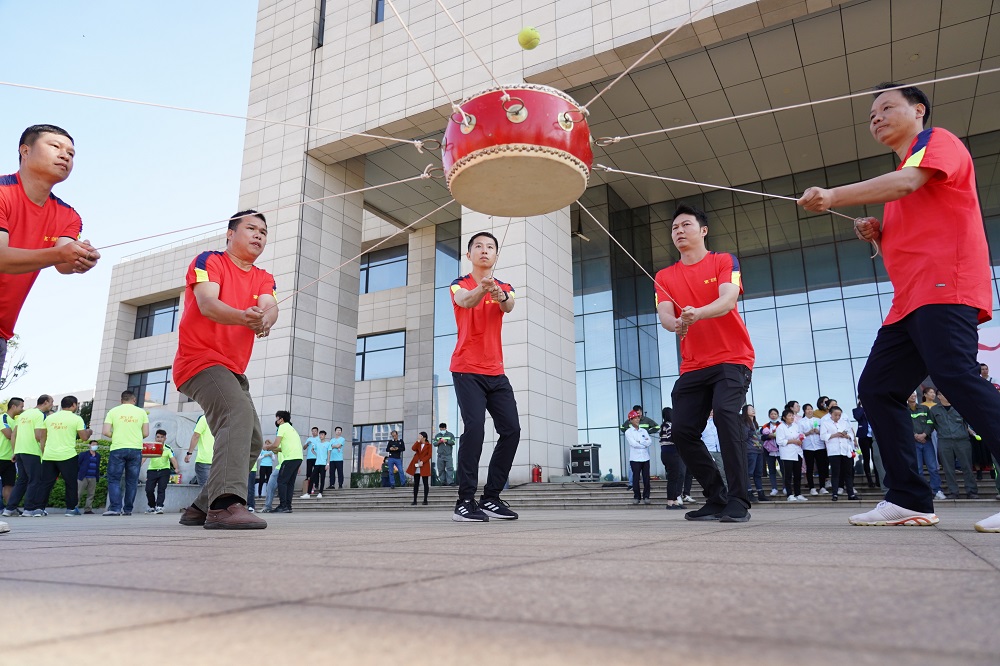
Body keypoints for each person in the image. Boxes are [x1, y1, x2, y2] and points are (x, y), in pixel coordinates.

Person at [798, 82, 1000, 531]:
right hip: (908, 302)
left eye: (887, 107)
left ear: (919, 110)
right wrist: (880, 232)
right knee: (877, 389)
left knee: (955, 375)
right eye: (872, 114)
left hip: (944, 285)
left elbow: (908, 182)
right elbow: (913, 214)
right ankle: (909, 499)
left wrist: (833, 196)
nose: (877, 117)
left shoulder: (936, 143)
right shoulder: (904, 174)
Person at [173, 210, 277, 530]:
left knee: (253, 440)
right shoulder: (209, 261)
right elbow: (208, 304)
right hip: (199, 360)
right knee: (236, 413)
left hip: (232, 370)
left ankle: (200, 507)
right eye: (251, 228)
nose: (258, 235)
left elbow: (269, 308)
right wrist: (244, 317)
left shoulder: (263, 277)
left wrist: (264, 319)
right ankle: (224, 506)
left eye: (263, 232)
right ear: (230, 234)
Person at [655, 205, 755, 523]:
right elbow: (666, 316)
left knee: (725, 415)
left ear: (703, 230)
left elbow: (727, 300)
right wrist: (676, 324)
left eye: (686, 225)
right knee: (682, 431)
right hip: (693, 366)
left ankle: (738, 500)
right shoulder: (664, 276)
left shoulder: (723, 261)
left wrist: (697, 313)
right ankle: (716, 496)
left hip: (732, 358)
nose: (679, 231)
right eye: (674, 228)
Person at [0, 124, 100, 376]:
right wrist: (62, 254)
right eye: (55, 146)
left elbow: (64, 264)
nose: (65, 155)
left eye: (71, 153)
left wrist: (81, 256)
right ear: (25, 151)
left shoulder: (69, 216)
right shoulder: (2, 192)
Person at [449, 232, 520, 522]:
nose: (484, 250)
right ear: (469, 255)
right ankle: (464, 501)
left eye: (490, 247)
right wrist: (483, 288)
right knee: (474, 430)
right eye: (478, 246)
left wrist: (498, 294)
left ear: (496, 256)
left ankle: (491, 497)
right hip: (466, 369)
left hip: (496, 372)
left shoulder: (505, 287)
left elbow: (508, 305)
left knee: (511, 430)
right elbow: (465, 301)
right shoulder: (459, 284)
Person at [35, 395, 91, 516]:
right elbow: (84, 437)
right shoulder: (76, 419)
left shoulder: (49, 418)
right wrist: (89, 432)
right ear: (74, 405)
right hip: (67, 455)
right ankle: (71, 509)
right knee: (70, 483)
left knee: (45, 483)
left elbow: (42, 438)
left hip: (49, 455)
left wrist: (44, 452)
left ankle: (39, 508)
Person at [3, 394, 53, 517]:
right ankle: (28, 509)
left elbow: (14, 434)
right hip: (32, 452)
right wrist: (44, 450)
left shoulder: (24, 415)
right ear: (46, 402)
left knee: (22, 480)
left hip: (20, 451)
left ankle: (9, 508)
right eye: (51, 402)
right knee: (34, 480)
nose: (52, 405)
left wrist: (15, 451)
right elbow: (38, 435)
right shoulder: (40, 415)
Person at [102, 390, 149, 516]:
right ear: (134, 400)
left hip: (118, 448)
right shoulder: (141, 412)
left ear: (121, 400)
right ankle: (128, 509)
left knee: (114, 479)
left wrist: (116, 436)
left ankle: (115, 508)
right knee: (132, 481)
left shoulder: (113, 411)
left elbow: (105, 431)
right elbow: (146, 433)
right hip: (135, 449)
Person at [929, 391, 979, 499]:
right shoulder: (934, 410)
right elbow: (932, 425)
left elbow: (967, 422)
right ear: (939, 396)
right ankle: (953, 492)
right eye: (943, 394)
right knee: (948, 468)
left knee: (967, 466)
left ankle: (971, 491)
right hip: (944, 441)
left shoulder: (959, 407)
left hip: (962, 440)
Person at [907, 392, 944, 500]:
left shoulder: (924, 408)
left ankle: (937, 490)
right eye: (910, 394)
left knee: (933, 467)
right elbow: (904, 425)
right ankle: (923, 492)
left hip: (926, 441)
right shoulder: (904, 410)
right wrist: (915, 436)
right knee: (918, 469)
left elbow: (930, 423)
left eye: (914, 394)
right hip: (913, 443)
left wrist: (924, 434)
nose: (913, 395)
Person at [821, 407, 859, 501]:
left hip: (845, 450)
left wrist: (846, 436)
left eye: (839, 415)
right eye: (835, 415)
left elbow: (851, 433)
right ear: (831, 414)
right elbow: (822, 436)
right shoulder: (825, 423)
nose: (837, 417)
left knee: (848, 472)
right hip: (834, 451)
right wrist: (834, 435)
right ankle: (835, 493)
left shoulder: (844, 422)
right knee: (835, 473)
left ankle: (851, 493)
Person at [620, 404, 659, 488]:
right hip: (635, 449)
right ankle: (631, 484)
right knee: (633, 468)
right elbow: (622, 427)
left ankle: (646, 485)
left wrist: (648, 432)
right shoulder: (630, 421)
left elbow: (657, 427)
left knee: (645, 467)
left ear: (641, 412)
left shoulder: (647, 420)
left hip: (644, 447)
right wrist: (630, 432)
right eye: (636, 413)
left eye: (639, 413)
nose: (638, 416)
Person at [271, 411, 302, 513]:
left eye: (277, 418)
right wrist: (272, 448)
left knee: (282, 481)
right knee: (290, 483)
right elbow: (281, 448)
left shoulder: (282, 427)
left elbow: (275, 445)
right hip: (298, 458)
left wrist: (266, 447)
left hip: (289, 458)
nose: (276, 421)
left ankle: (283, 505)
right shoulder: (292, 429)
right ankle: (288, 506)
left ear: (281, 419)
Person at [143, 429, 178, 514]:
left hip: (164, 471)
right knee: (149, 489)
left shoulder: (168, 448)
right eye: (158, 437)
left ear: (165, 438)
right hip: (152, 470)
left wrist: (176, 468)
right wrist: (137, 467)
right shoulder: (151, 447)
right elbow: (144, 457)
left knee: (161, 489)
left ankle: (159, 506)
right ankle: (152, 506)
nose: (159, 439)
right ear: (155, 438)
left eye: (162, 437)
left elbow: (173, 459)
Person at [623, 409, 652, 504]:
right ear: (630, 420)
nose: (637, 420)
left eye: (638, 418)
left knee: (646, 478)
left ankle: (646, 496)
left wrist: (640, 442)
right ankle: (637, 497)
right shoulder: (628, 432)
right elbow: (633, 444)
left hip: (645, 457)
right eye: (635, 418)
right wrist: (643, 444)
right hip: (635, 458)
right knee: (636, 478)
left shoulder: (643, 431)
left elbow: (649, 442)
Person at [776, 409, 805, 501]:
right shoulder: (781, 427)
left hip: (797, 452)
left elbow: (800, 435)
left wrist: (801, 439)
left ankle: (798, 493)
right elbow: (779, 441)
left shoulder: (796, 426)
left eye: (792, 415)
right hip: (787, 454)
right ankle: (789, 494)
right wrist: (793, 441)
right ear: (784, 418)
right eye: (789, 416)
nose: (792, 417)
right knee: (788, 475)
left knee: (797, 475)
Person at [741, 405, 768, 504]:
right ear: (745, 411)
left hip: (759, 451)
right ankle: (749, 492)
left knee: (758, 473)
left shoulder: (755, 423)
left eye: (753, 409)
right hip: (750, 451)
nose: (753, 410)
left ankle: (760, 493)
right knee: (749, 472)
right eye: (750, 409)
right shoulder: (745, 423)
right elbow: (744, 437)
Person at [0, 397, 24, 506]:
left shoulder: (15, 421)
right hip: (1, 456)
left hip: (10, 458)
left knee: (9, 485)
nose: (22, 409)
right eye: (21, 407)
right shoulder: (3, 418)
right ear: (13, 406)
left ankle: (10, 508)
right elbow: (9, 435)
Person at [660, 407, 685, 509]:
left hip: (667, 454)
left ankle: (675, 501)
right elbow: (672, 438)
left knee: (675, 477)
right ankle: (670, 502)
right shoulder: (669, 425)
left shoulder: (664, 425)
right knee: (673, 478)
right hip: (671, 454)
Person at [800, 404, 827, 496]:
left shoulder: (818, 420)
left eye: (811, 409)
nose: (810, 411)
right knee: (810, 467)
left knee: (821, 467)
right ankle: (812, 487)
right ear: (804, 411)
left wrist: (818, 432)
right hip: (808, 447)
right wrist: (808, 433)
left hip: (820, 446)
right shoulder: (801, 422)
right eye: (807, 409)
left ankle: (822, 487)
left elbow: (824, 432)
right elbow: (800, 435)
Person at [853, 400, 879, 488]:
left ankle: (878, 479)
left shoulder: (873, 408)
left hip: (874, 436)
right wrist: (862, 407)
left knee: (876, 458)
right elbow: (857, 417)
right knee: (866, 458)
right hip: (863, 436)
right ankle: (870, 480)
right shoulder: (857, 410)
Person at [185, 415, 214, 487]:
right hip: (221, 460)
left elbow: (196, 436)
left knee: (206, 489)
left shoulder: (204, 418)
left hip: (205, 460)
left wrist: (189, 453)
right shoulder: (225, 419)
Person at [700, 411, 725, 485]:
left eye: (712, 411)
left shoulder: (716, 422)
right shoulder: (702, 423)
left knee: (722, 471)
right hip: (708, 450)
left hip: (718, 450)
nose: (711, 412)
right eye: (710, 411)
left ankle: (725, 489)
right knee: (710, 471)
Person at [77, 440, 101, 514]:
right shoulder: (83, 454)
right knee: (78, 493)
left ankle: (88, 509)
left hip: (93, 477)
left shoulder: (98, 455)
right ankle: (74, 507)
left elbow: (97, 466)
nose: (95, 446)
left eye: (96, 445)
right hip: (83, 476)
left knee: (91, 494)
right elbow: (77, 464)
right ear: (89, 445)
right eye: (93, 444)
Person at [760, 408, 781, 496]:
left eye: (775, 414)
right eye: (772, 414)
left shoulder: (781, 425)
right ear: (769, 415)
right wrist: (769, 436)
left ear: (778, 415)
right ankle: (774, 488)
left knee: (783, 469)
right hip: (769, 451)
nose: (773, 416)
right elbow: (762, 437)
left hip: (780, 450)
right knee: (772, 470)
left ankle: (785, 488)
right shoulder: (765, 426)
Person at [408, 432, 432, 505]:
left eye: (420, 436)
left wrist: (423, 461)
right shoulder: (418, 444)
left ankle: (425, 500)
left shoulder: (429, 445)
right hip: (417, 464)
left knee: (425, 483)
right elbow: (413, 448)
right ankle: (415, 500)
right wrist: (418, 441)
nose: (419, 437)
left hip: (424, 465)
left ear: (424, 437)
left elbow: (429, 455)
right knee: (416, 483)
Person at [306, 430, 331, 498]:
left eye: (322, 435)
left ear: (325, 436)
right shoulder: (317, 443)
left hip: (323, 464)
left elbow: (329, 454)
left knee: (322, 478)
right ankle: (308, 493)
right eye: (320, 434)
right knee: (312, 478)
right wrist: (317, 455)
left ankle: (320, 492)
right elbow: (312, 450)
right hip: (317, 463)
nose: (320, 436)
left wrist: (328, 464)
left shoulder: (328, 444)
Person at [302, 426, 320, 497]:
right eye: (313, 431)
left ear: (317, 432)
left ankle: (316, 485)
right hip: (309, 457)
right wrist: (307, 443)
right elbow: (304, 448)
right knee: (309, 471)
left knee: (316, 472)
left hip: (316, 457)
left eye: (315, 431)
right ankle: (308, 486)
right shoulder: (309, 439)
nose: (314, 432)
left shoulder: (319, 439)